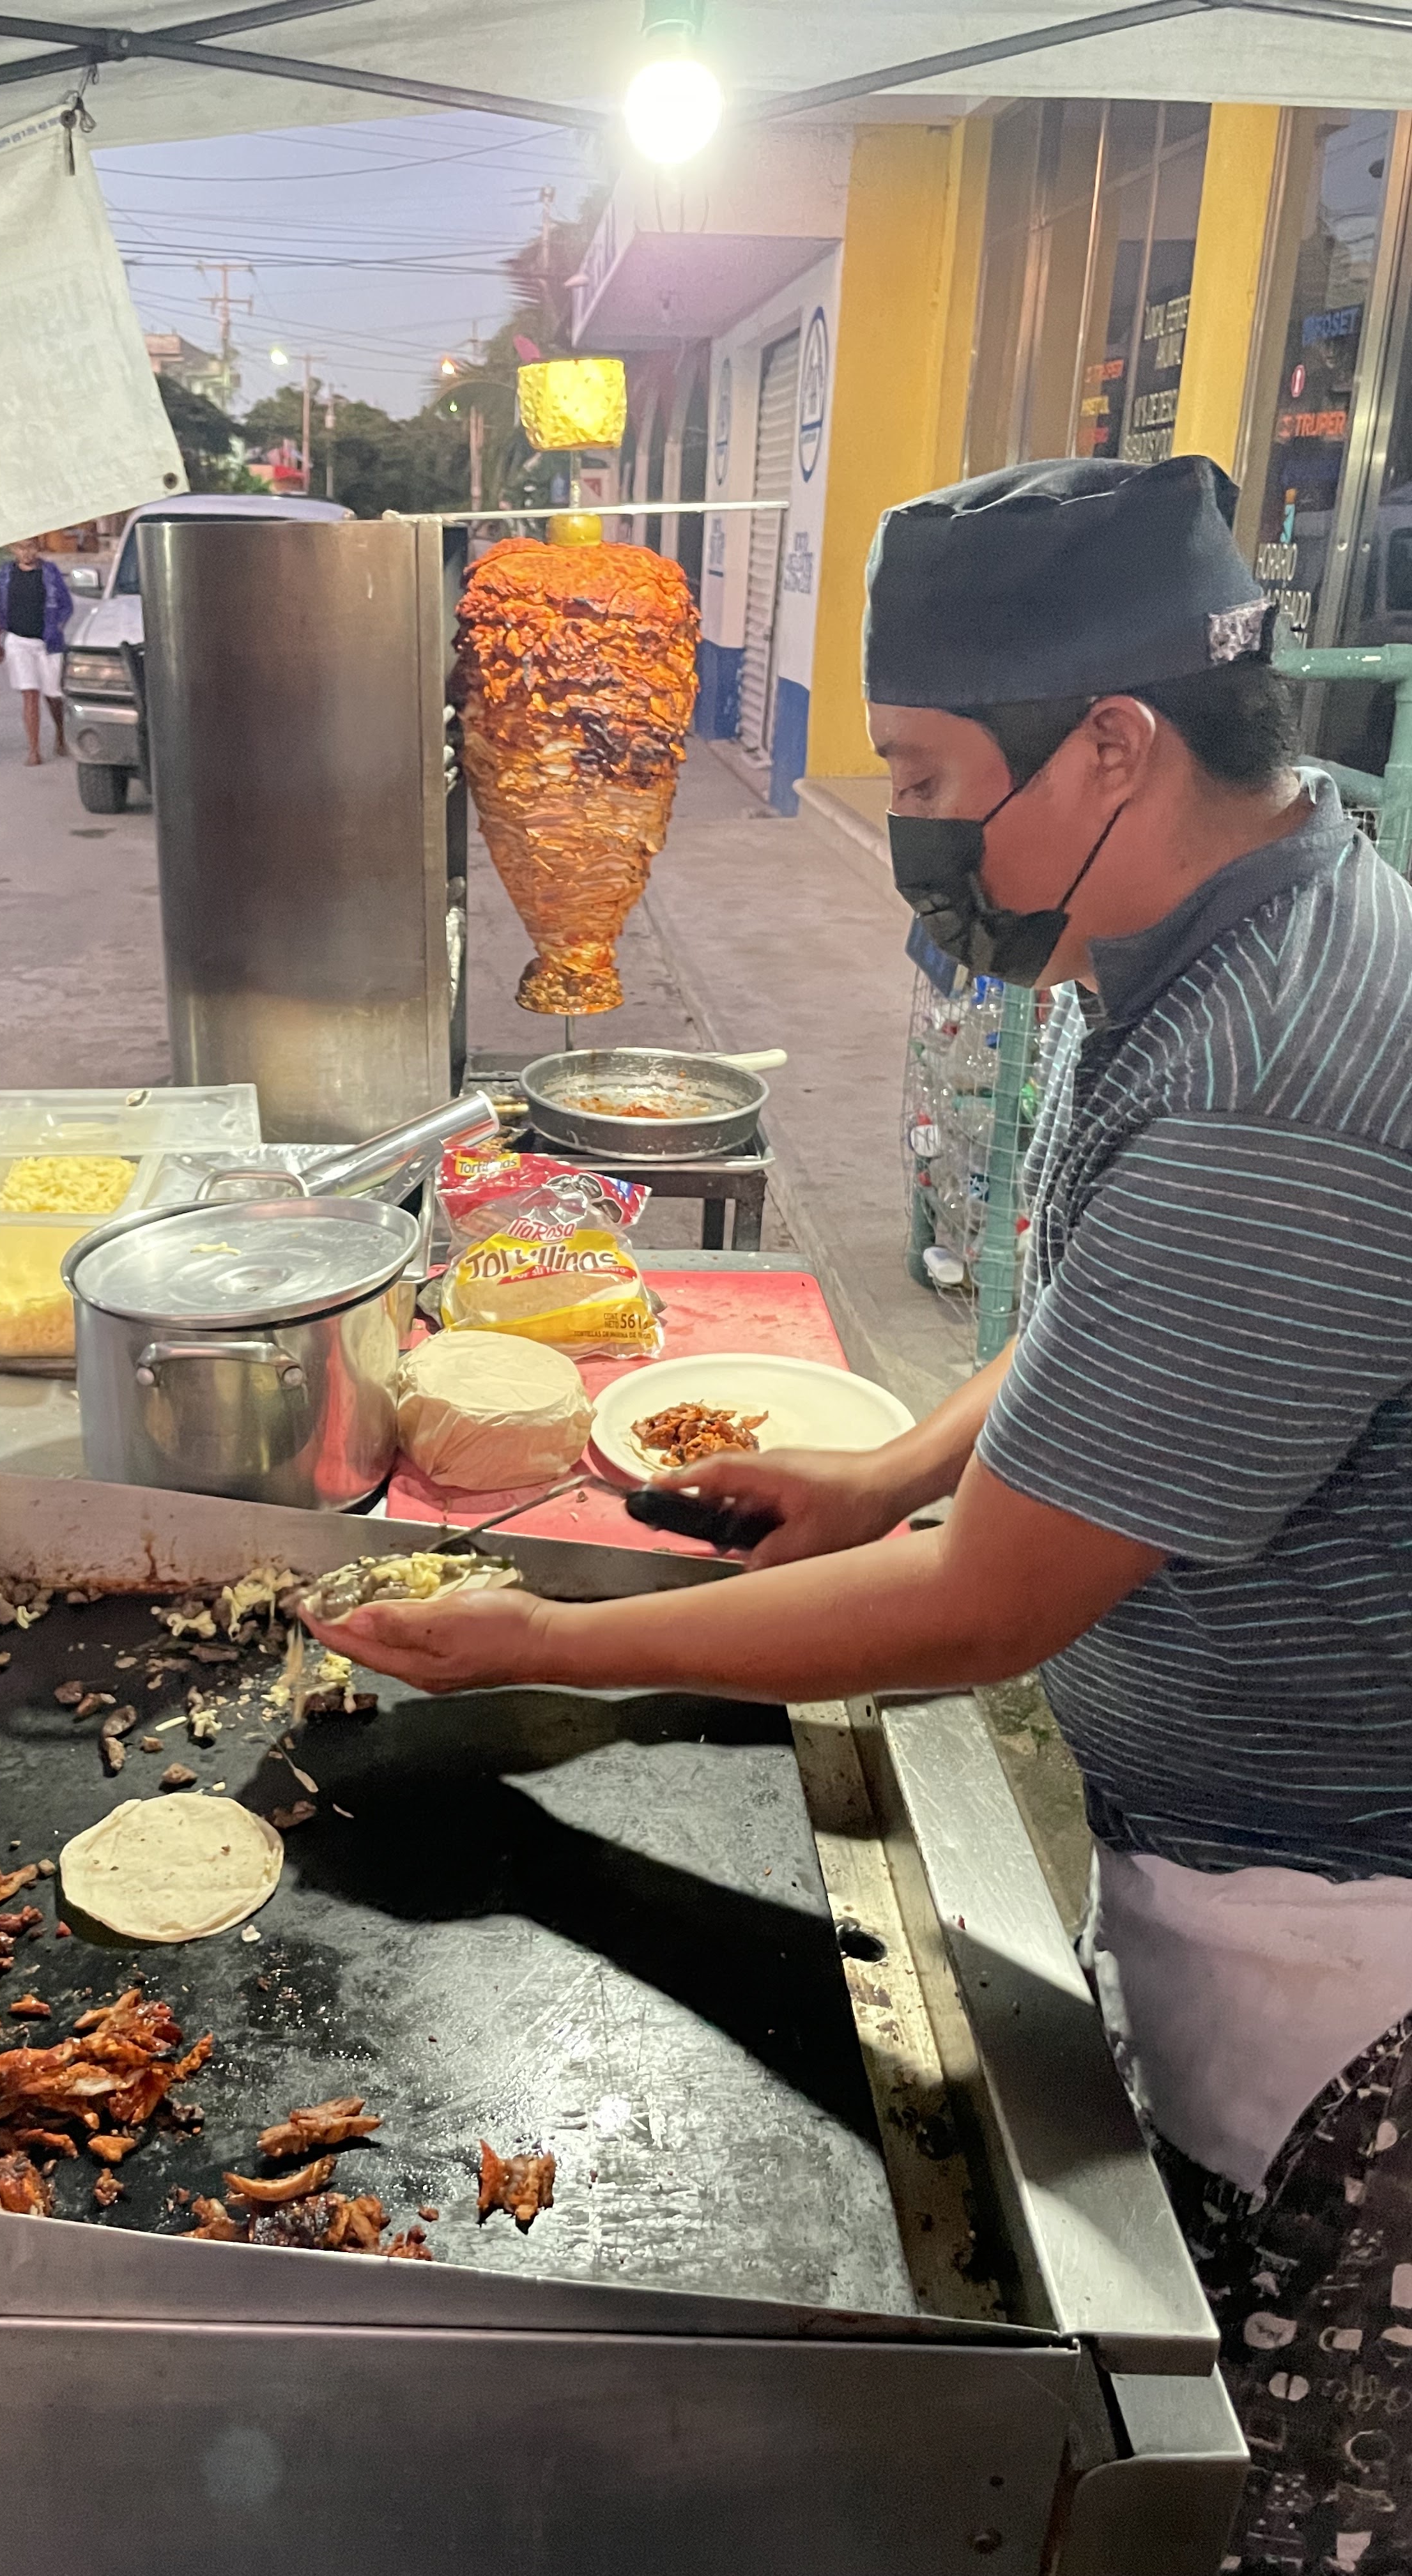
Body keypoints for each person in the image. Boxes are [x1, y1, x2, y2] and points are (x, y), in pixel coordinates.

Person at [305, 456, 1412, 2576]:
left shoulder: (1277, 1076)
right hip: (1221, 1850)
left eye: (921, 774)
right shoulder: (1223, 921)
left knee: (1255, 2504)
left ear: (1112, 746)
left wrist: (547, 1643)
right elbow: (1115, 1303)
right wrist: (890, 1468)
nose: (904, 822)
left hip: (1342, 1965)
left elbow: (983, 1611)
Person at [0, 537, 73, 765]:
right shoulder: (6, 574)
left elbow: (66, 605)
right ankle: (34, 750)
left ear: (38, 548)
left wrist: (56, 626)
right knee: (30, 693)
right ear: (12, 549)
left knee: (53, 695)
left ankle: (60, 733)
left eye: (31, 547)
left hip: (47, 643)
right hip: (18, 641)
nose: (26, 553)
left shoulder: (50, 572)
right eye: (20, 548)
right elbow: (1, 610)